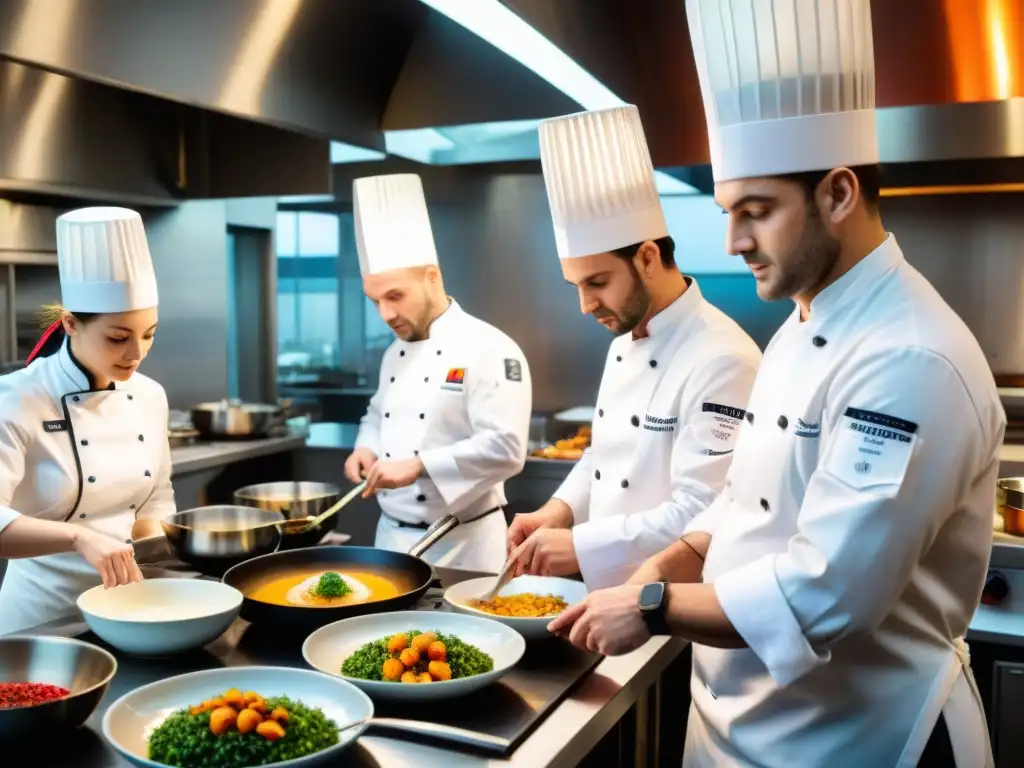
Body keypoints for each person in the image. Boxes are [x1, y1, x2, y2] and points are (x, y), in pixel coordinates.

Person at [549, 2, 1002, 766]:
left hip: (858, 739)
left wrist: (651, 605)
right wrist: (670, 561)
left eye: (755, 213)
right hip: (739, 726)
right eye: (729, 212)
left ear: (838, 193)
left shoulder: (910, 357)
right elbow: (746, 495)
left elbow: (825, 594)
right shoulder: (799, 324)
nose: (732, 243)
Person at [507, 105, 761, 590]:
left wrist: (580, 545)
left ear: (647, 257)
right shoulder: (623, 342)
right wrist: (557, 512)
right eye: (575, 285)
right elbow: (603, 454)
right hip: (606, 592)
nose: (585, 305)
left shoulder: (723, 358)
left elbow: (702, 511)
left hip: (672, 601)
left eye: (597, 282)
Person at [0, 206, 190, 635]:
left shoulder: (149, 395)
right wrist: (77, 537)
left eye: (149, 334)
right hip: (40, 620)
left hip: (127, 607)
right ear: (70, 324)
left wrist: (164, 552)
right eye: (118, 338)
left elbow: (156, 497)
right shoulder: (18, 398)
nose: (136, 354)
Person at [343, 173, 532, 574]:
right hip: (390, 541)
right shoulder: (394, 353)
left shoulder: (489, 348)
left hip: (465, 545)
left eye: (395, 295)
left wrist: (418, 465)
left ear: (432, 277)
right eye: (375, 300)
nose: (386, 314)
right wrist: (367, 446)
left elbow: (506, 448)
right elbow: (378, 414)